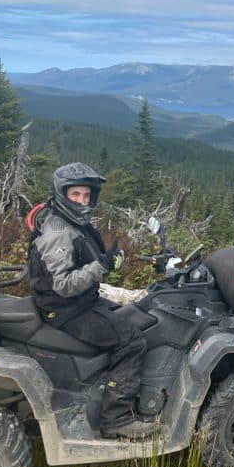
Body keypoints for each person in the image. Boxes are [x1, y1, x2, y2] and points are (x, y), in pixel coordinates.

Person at [27, 162, 154, 440]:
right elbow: (63, 285)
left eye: (86, 196)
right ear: (63, 194)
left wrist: (107, 261)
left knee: (131, 314)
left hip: (80, 302)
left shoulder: (70, 221)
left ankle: (102, 387)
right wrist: (101, 268)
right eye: (76, 195)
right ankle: (116, 419)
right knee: (133, 340)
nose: (82, 201)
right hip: (65, 309)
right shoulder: (58, 230)